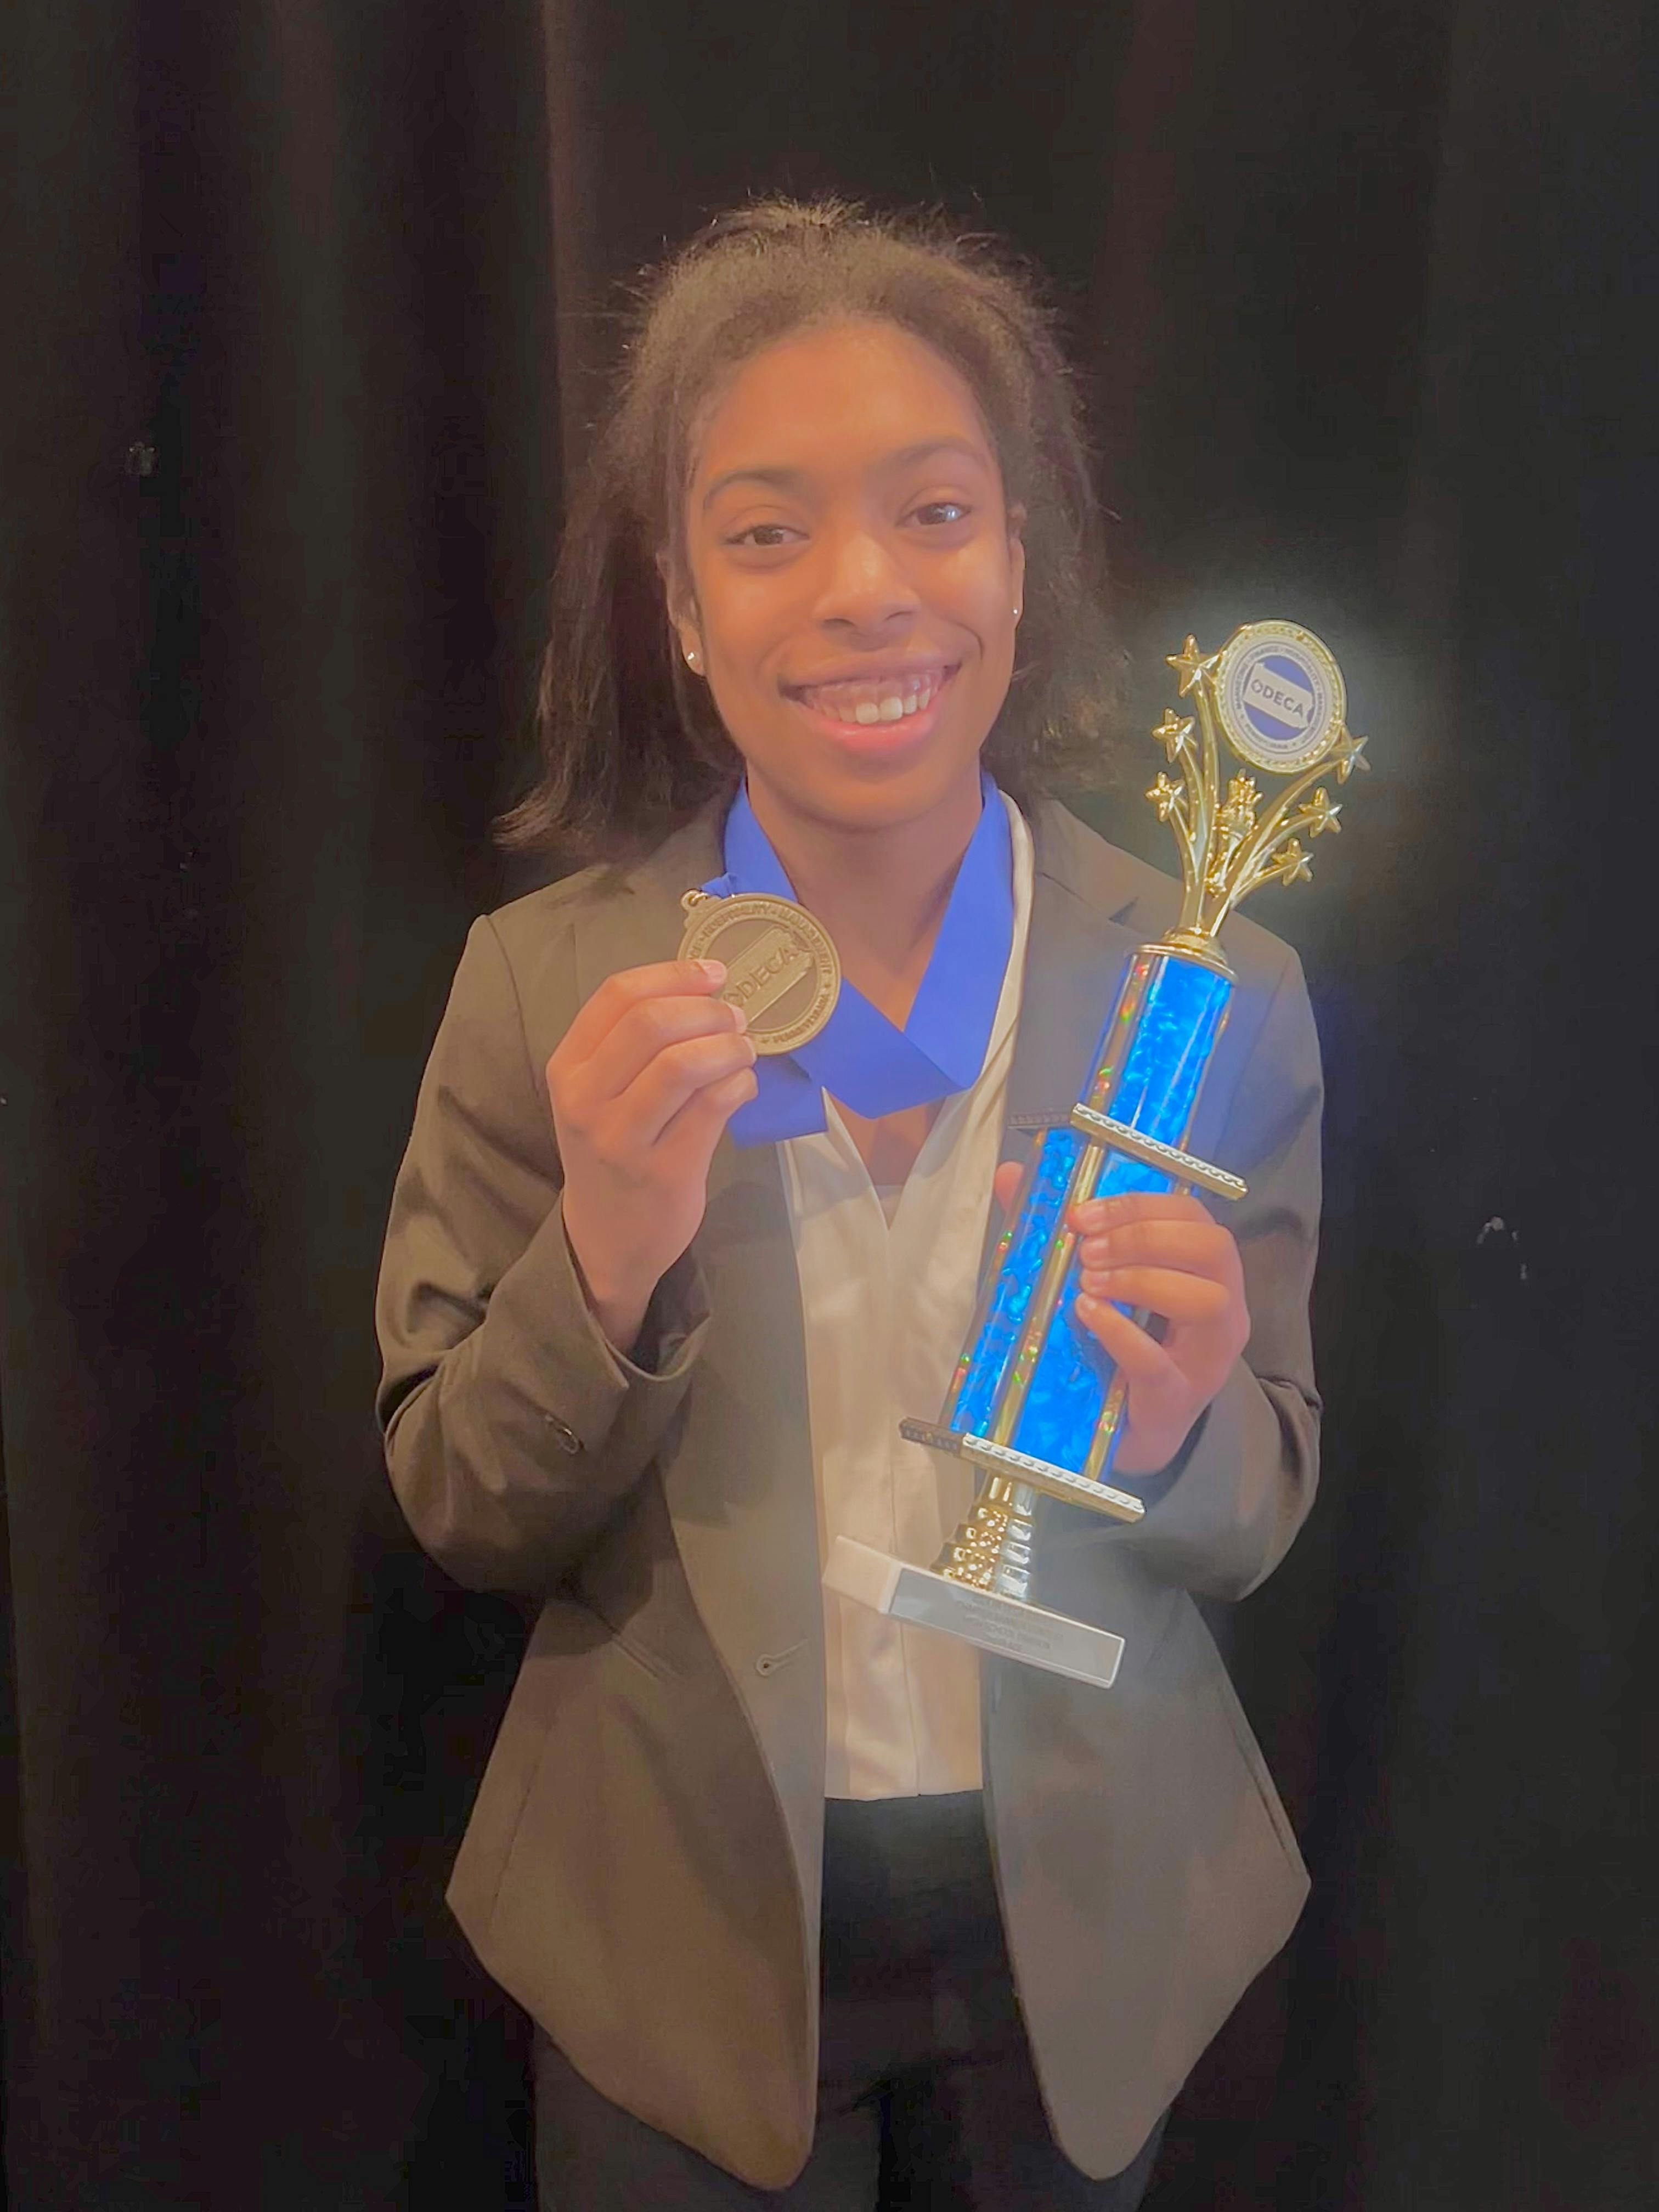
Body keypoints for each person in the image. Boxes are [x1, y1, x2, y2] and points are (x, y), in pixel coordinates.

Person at [374, 198, 1321, 2210]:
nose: (866, 591)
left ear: (1020, 557)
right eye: (768, 531)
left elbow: (1261, 1514)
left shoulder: (1205, 978)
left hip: (1078, 1929)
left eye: (935, 513)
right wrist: (608, 1260)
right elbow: (463, 1508)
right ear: (684, 605)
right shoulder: (552, 989)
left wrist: (1184, 1428)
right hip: (674, 1933)